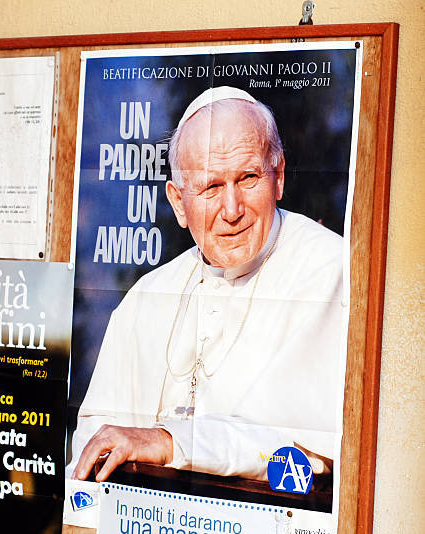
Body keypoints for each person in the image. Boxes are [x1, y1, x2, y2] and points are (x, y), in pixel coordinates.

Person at [69, 86, 345, 484]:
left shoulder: (327, 269)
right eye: (211, 187)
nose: (231, 210)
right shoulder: (147, 297)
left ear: (278, 176)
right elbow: (93, 447)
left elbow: (301, 445)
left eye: (248, 178)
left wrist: (168, 442)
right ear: (179, 203)